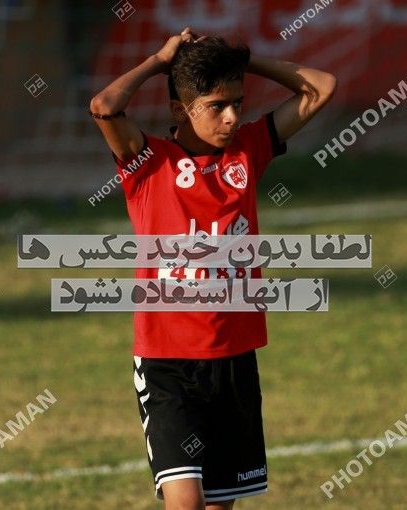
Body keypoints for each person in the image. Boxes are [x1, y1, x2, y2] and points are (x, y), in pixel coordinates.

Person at [90, 27, 336, 510]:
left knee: (221, 504)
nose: (232, 116)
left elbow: (321, 88)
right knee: (186, 503)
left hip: (233, 358)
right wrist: (158, 61)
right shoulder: (147, 161)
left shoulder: (249, 149)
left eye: (237, 102)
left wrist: (243, 63)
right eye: (217, 106)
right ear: (180, 110)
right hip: (167, 363)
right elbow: (104, 106)